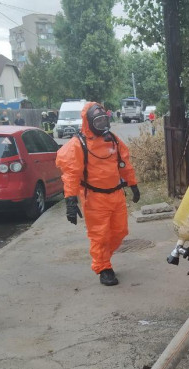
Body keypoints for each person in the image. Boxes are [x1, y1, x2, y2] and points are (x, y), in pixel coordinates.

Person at [56, 102, 141, 286]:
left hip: (116, 194)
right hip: (94, 198)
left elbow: (124, 163)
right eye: (98, 121)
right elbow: (71, 173)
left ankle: (103, 257)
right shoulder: (78, 145)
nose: (102, 124)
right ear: (89, 122)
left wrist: (133, 184)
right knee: (99, 236)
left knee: (120, 231)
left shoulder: (113, 140)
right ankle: (103, 268)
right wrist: (70, 201)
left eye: (104, 120)